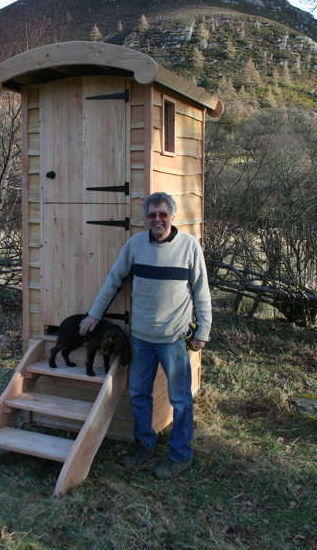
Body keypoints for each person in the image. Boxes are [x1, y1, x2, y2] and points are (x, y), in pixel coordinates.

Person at [79, 192, 211, 479]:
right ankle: (144, 445)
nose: (157, 220)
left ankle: (180, 455)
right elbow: (113, 280)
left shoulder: (189, 247)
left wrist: (203, 330)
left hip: (174, 340)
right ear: (146, 218)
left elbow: (201, 292)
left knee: (180, 400)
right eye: (152, 215)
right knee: (138, 394)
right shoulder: (135, 245)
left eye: (163, 214)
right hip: (140, 338)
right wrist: (94, 315)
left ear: (172, 216)